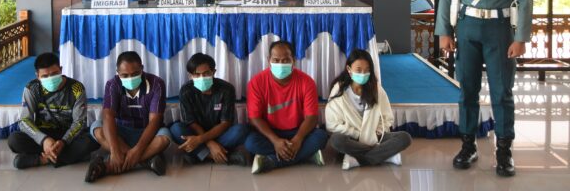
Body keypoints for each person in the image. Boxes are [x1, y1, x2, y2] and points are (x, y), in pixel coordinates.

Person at [436, 0, 533, 178]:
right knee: (467, 90)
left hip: (500, 31)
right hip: (467, 28)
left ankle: (504, 151)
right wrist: (444, 31)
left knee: (502, 93)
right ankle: (468, 146)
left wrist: (521, 37)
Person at [85, 51, 172, 182]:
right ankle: (147, 161)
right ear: (117, 73)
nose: (130, 78)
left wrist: (138, 150)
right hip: (121, 133)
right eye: (124, 75)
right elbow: (108, 116)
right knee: (97, 127)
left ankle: (107, 167)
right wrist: (114, 150)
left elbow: (155, 121)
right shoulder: (112, 84)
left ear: (142, 69)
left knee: (164, 138)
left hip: (147, 132)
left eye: (135, 74)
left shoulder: (156, 83)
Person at [244, 41, 328, 174]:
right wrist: (275, 141)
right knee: (250, 143)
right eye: (276, 60)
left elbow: (312, 117)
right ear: (269, 60)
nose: (281, 64)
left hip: (298, 131)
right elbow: (254, 118)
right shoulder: (256, 82)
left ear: (293, 60)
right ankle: (306, 155)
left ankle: (271, 161)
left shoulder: (307, 82)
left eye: (286, 60)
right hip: (271, 132)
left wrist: (298, 139)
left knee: (321, 137)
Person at [8, 52, 98, 168]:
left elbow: (79, 122)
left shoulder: (76, 88)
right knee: (14, 139)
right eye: (45, 76)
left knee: (91, 141)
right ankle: (64, 157)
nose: (50, 79)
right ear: (37, 76)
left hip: (67, 135)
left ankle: (42, 159)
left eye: (54, 74)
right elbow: (24, 120)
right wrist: (44, 140)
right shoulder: (32, 88)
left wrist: (63, 141)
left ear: (61, 69)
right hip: (43, 133)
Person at [325, 49, 411, 170]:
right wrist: (358, 134)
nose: (363, 74)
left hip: (374, 136)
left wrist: (376, 133)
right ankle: (383, 155)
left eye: (367, 70)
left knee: (404, 138)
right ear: (349, 69)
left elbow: (387, 118)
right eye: (359, 70)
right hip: (352, 138)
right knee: (336, 140)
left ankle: (357, 159)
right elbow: (332, 124)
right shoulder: (339, 91)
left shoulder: (376, 89)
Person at [170, 53, 248, 166]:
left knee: (241, 130)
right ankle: (218, 156)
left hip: (220, 134)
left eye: (206, 73)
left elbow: (226, 123)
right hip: (196, 133)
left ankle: (199, 154)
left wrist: (200, 140)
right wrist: (210, 143)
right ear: (190, 76)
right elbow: (191, 122)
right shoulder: (186, 90)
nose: (202, 78)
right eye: (197, 74)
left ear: (213, 72)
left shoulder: (226, 89)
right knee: (176, 129)